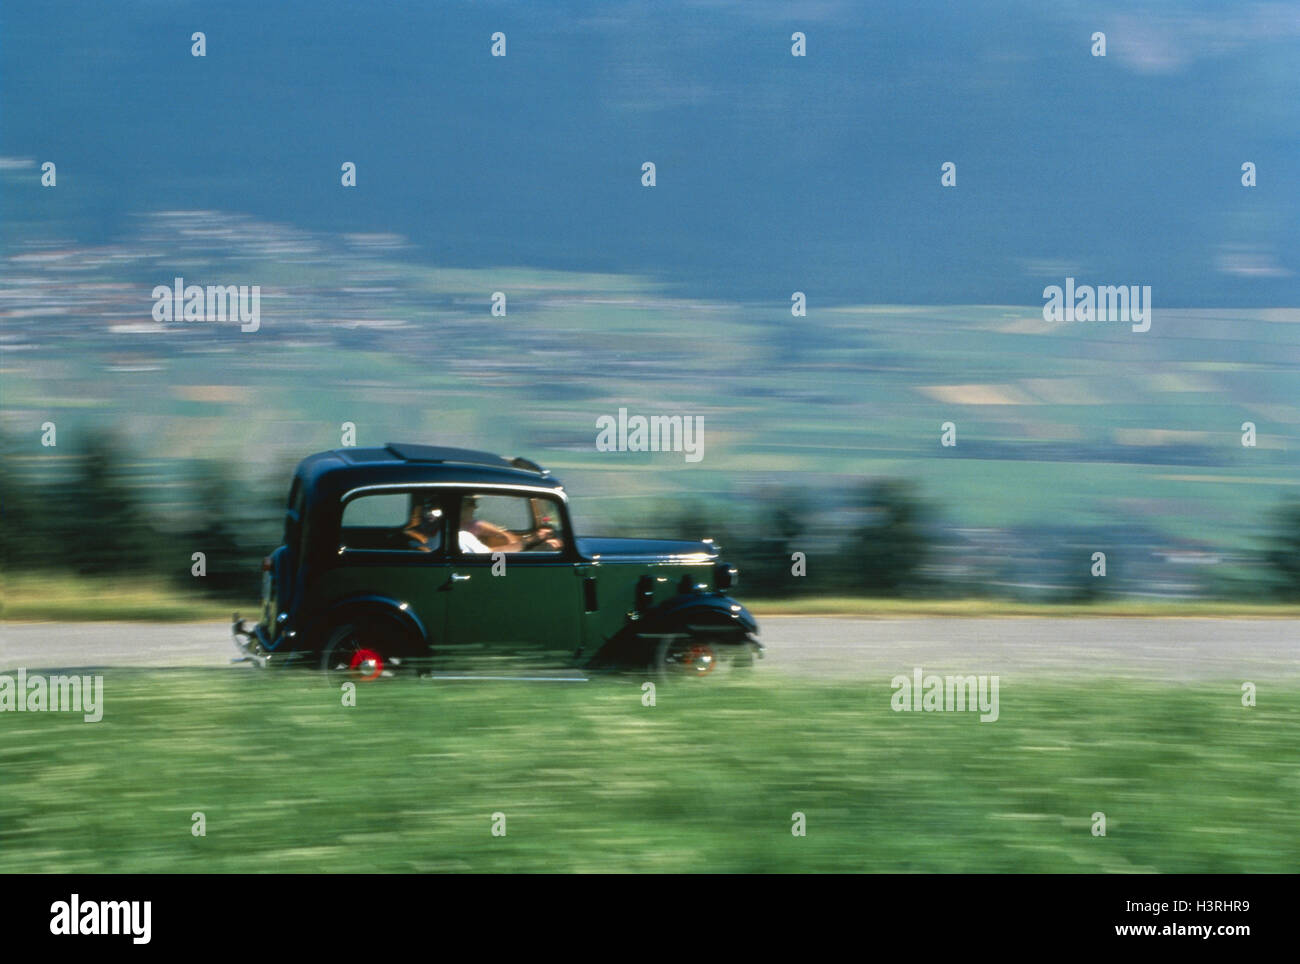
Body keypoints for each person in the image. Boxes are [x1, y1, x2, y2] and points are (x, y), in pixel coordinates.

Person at [459, 495, 561, 553]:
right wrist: (531, 540)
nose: (475, 507)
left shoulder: (473, 525)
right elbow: (491, 554)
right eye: (471, 503)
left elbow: (506, 537)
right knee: (499, 571)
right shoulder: (462, 537)